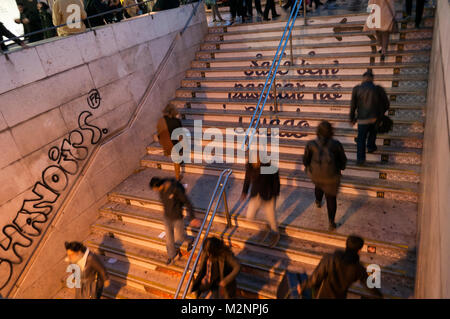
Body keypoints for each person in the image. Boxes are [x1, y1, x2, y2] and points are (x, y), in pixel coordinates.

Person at [300, 235, 383, 299]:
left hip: (323, 294)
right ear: (359, 250)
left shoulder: (330, 259)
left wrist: (302, 286)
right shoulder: (358, 268)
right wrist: (380, 296)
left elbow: (316, 277)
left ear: (346, 245)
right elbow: (369, 285)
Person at [303, 121, 347, 231]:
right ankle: (331, 223)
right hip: (332, 177)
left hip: (316, 175)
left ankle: (318, 201)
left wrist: (310, 168)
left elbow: (305, 160)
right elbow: (343, 161)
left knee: (318, 186)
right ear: (331, 131)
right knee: (331, 198)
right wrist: (340, 168)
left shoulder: (311, 144)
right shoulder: (336, 144)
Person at [150, 177, 202, 265]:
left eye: (156, 189)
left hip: (177, 218)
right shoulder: (161, 190)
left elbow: (187, 203)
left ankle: (190, 240)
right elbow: (164, 201)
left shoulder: (175, 189)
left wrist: (192, 217)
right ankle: (172, 255)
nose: (156, 191)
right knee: (169, 240)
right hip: (167, 217)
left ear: (159, 185)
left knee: (180, 237)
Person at [350, 70, 390, 165]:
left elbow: (353, 105)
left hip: (362, 120)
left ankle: (361, 159)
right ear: (372, 79)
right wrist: (380, 115)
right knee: (373, 133)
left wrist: (352, 118)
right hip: (374, 118)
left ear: (363, 79)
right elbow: (386, 104)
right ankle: (371, 147)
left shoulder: (357, 89)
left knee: (361, 139)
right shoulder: (378, 89)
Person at [241, 153, 281, 247]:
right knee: (249, 216)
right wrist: (244, 192)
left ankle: (275, 233)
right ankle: (266, 227)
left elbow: (276, 181)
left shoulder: (269, 166)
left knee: (272, 218)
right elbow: (247, 179)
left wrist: (275, 194)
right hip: (256, 194)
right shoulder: (250, 166)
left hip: (268, 195)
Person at [156, 104, 184, 181]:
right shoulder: (177, 121)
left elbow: (159, 134)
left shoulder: (161, 120)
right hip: (175, 143)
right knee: (176, 160)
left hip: (166, 143)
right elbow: (180, 136)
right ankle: (177, 176)